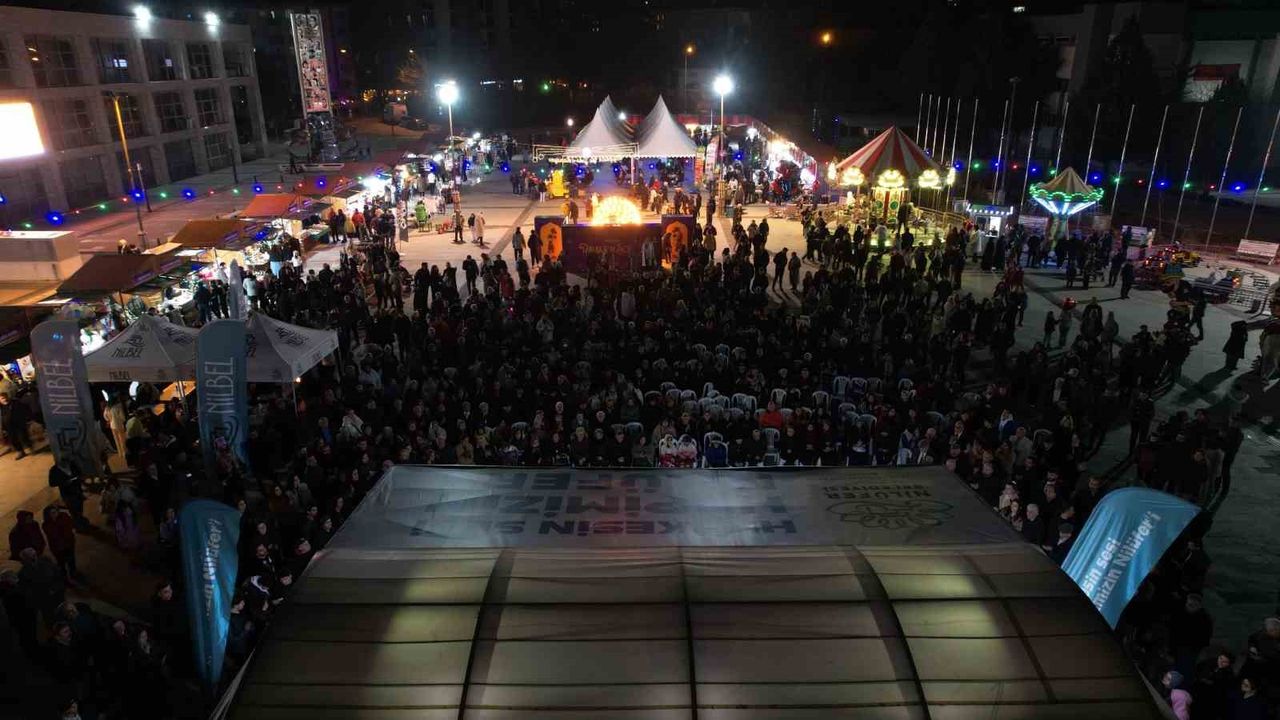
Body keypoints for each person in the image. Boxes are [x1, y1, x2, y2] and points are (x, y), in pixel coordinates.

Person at [1, 392, 35, 459]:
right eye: (2, 398)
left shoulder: (15, 402)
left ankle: (29, 447)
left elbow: (25, 409)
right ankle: (20, 451)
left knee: (23, 436)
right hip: (9, 426)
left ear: (7, 397)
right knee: (13, 439)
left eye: (5, 397)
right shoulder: (1, 408)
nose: (4, 399)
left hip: (19, 423)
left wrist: (28, 418)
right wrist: (4, 428)